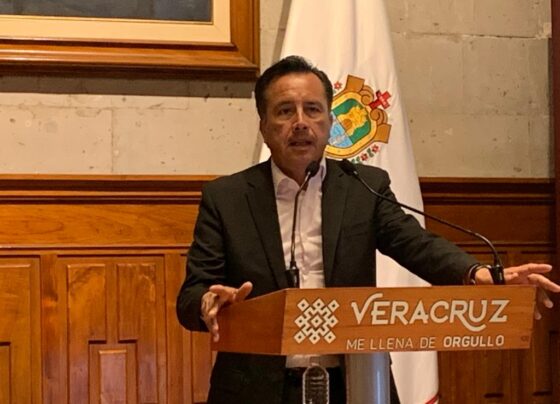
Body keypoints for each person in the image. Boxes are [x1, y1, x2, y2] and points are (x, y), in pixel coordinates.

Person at [176, 55, 560, 404]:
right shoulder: (227, 198)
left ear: (330, 123)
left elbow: (417, 244)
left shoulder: (364, 186)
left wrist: (482, 274)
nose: (300, 123)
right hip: (254, 389)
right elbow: (191, 296)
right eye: (285, 111)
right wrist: (209, 302)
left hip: (356, 382)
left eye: (313, 109)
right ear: (263, 126)